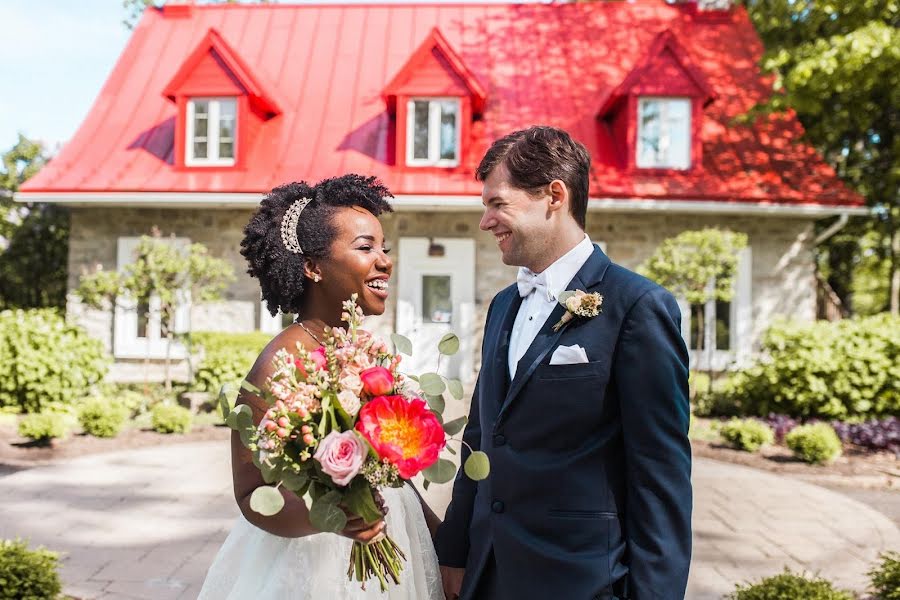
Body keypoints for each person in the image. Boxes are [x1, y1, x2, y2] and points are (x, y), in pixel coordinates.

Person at [434, 127, 692, 600]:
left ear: (554, 195)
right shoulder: (502, 306)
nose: (485, 221)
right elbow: (482, 437)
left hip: (583, 579)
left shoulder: (637, 306)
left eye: (498, 204)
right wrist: (454, 550)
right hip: (488, 573)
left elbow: (660, 474)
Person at [197, 175, 443, 599]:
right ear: (313, 267)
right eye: (365, 248)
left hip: (395, 540)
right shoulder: (280, 362)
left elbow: (390, 477)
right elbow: (251, 493)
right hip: (315, 565)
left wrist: (445, 541)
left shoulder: (364, 352)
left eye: (384, 248)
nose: (384, 260)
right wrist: (331, 517)